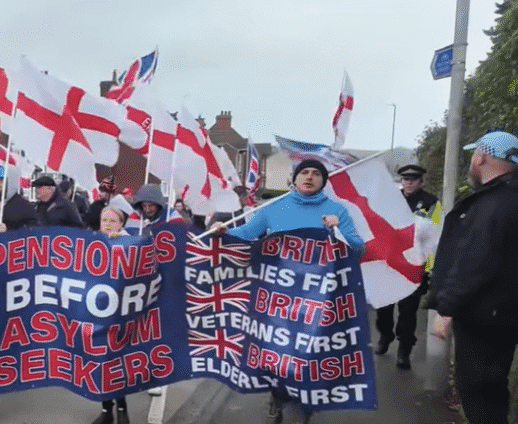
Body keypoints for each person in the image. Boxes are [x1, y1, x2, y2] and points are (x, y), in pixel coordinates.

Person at [213, 159, 364, 424]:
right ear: (294, 179)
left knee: (309, 355)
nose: (310, 176)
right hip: (278, 295)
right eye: (304, 172)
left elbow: (357, 249)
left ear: (323, 181)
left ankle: (302, 406)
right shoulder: (274, 207)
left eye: (316, 173)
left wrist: (337, 229)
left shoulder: (336, 211)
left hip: (319, 297)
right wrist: (223, 233)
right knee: (278, 353)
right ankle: (279, 395)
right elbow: (248, 233)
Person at [426, 131, 518, 424]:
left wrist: (446, 308)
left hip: (484, 318)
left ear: (481, 157)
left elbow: (474, 260)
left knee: (478, 392)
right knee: (494, 389)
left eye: (473, 156)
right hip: (506, 314)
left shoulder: (491, 205)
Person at [374, 164, 438, 369]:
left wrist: (429, 270)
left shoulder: (431, 203)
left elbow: (434, 239)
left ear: (421, 180)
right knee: (383, 307)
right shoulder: (390, 201)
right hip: (389, 264)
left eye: (413, 178)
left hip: (414, 265)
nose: (408, 182)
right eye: (405, 178)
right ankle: (385, 334)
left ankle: (404, 350)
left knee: (408, 312)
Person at [90, 205, 130, 424]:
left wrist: (119, 244)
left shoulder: (130, 243)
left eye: (112, 221)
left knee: (116, 363)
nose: (107, 225)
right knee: (100, 362)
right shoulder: (94, 243)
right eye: (104, 221)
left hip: (121, 315)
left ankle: (122, 407)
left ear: (121, 224)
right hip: (97, 314)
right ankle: (106, 409)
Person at [0, 165, 39, 233]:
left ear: (11, 181)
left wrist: (9, 231)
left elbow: (33, 232)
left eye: (1, 179)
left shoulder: (25, 206)